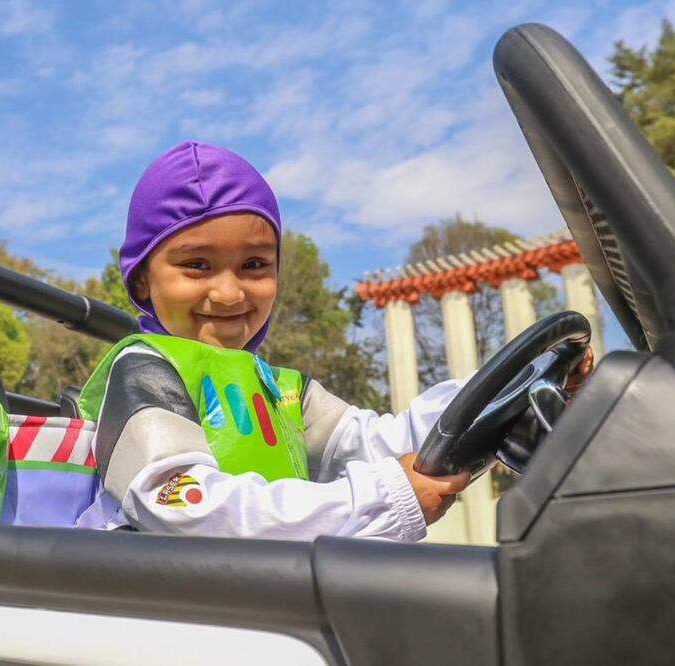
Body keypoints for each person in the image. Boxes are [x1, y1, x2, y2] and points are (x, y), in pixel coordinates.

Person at [74, 140, 574, 540]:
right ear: (142, 280)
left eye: (254, 265)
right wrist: (373, 499)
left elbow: (376, 443)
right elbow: (183, 505)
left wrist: (503, 391)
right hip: (164, 608)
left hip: (248, 599)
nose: (228, 292)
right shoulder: (146, 370)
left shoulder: (282, 388)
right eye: (196, 265)